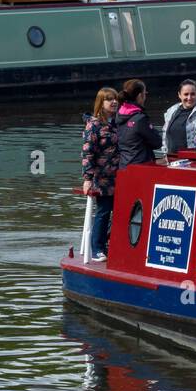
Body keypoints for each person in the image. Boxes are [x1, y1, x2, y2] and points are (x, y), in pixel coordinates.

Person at [81, 87, 120, 261]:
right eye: (109, 99)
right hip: (103, 177)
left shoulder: (118, 122)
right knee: (104, 210)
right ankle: (96, 248)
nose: (114, 102)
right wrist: (88, 178)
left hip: (120, 175)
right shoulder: (94, 125)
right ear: (101, 103)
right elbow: (87, 152)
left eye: (115, 99)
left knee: (119, 210)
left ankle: (110, 243)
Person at [116, 78, 162, 167]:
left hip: (124, 166)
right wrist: (154, 131)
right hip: (140, 167)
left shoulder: (119, 114)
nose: (145, 96)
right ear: (140, 95)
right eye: (145, 93)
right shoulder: (140, 119)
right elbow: (157, 143)